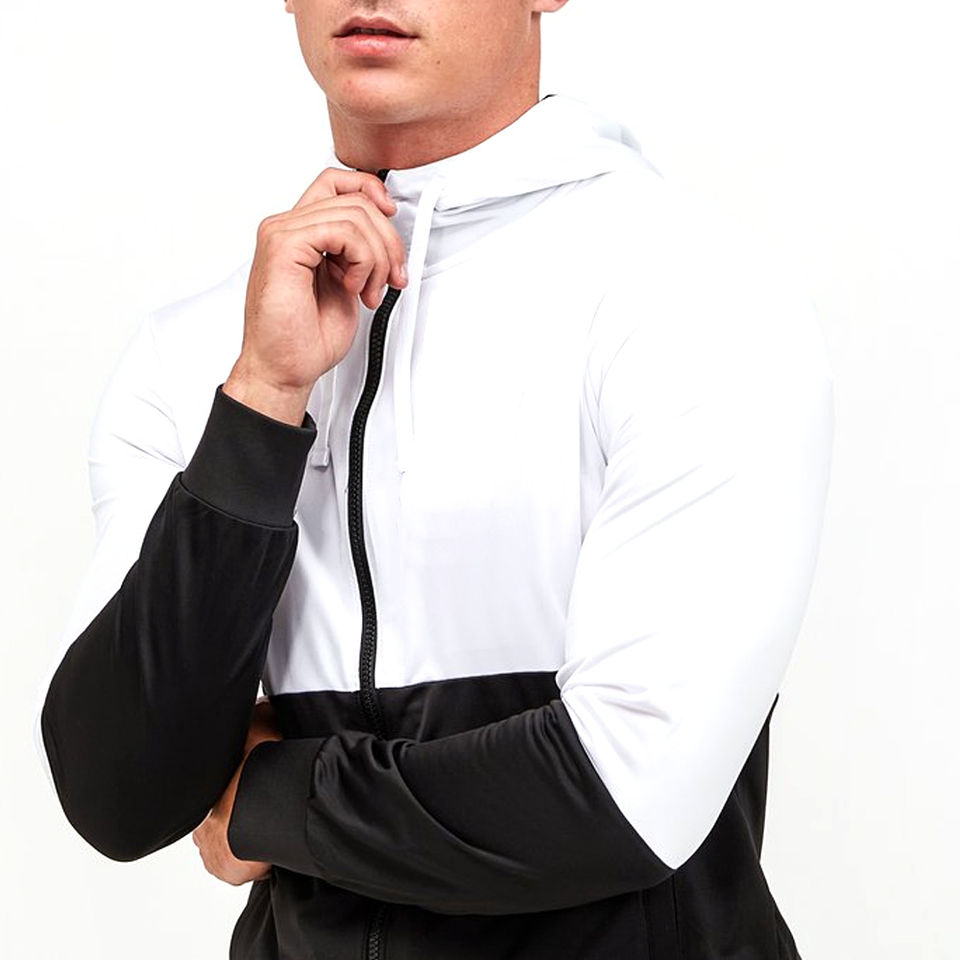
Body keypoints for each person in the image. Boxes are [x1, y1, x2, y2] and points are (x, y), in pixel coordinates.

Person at [33, 1, 834, 958]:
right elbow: (120, 795)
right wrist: (263, 399)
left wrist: (269, 797)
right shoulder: (202, 352)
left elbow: (621, 798)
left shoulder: (690, 295)